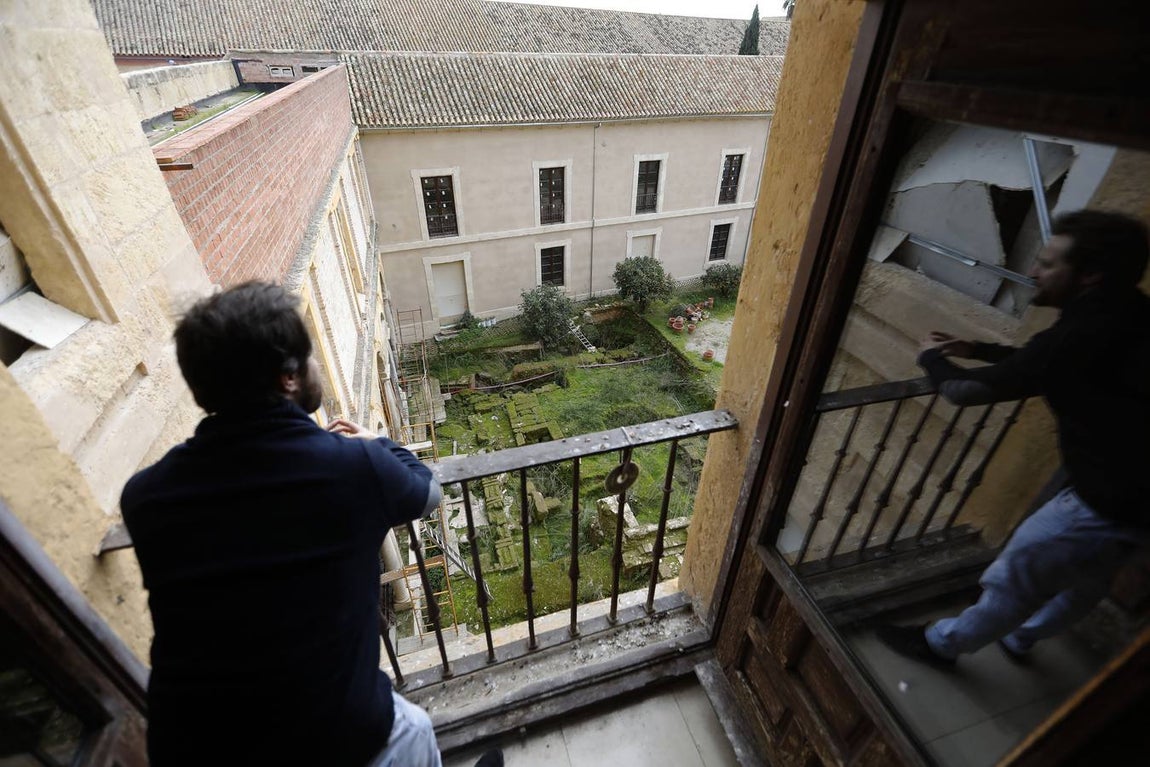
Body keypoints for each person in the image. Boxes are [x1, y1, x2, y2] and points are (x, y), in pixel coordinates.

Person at [121, 282, 500, 766]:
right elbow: (428, 493)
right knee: (414, 730)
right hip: (330, 735)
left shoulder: (145, 496)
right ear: (288, 378)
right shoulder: (352, 467)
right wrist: (378, 444)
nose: (317, 365)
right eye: (310, 356)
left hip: (198, 745)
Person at [877, 210, 1150, 666]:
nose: (1032, 272)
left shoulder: (1078, 335)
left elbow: (961, 392)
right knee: (1091, 581)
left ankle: (942, 645)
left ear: (1090, 275)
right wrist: (977, 348)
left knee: (1014, 575)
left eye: (1047, 264)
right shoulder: (1131, 311)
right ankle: (1021, 638)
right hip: (1138, 501)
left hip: (1104, 500)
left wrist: (931, 360)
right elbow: (1041, 362)